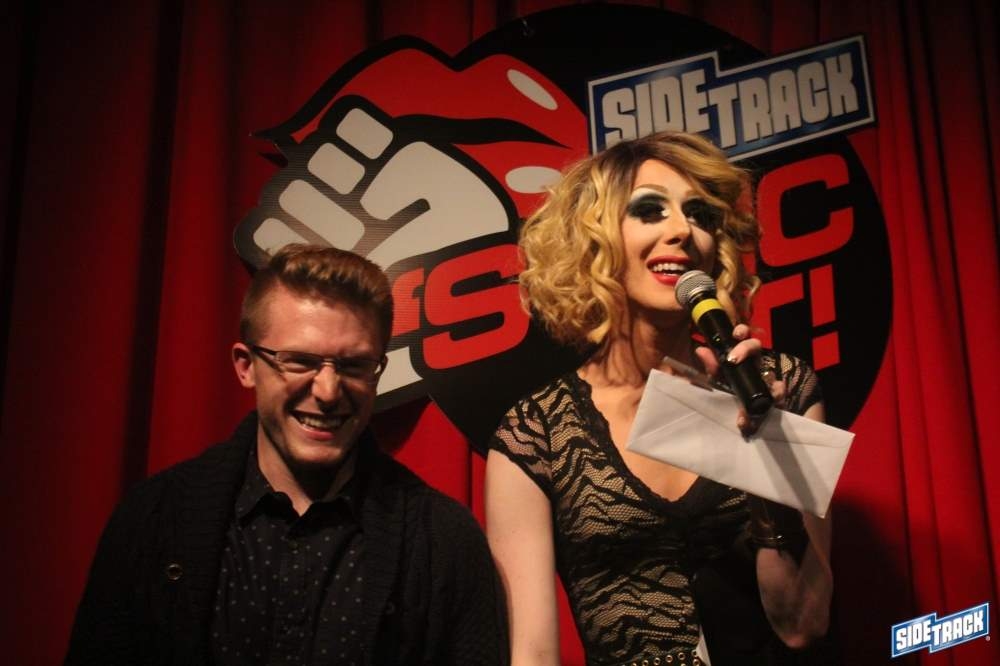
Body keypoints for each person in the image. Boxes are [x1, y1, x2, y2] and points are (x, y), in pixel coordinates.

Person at [486, 132, 834, 665]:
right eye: (649, 210)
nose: (682, 230)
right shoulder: (538, 432)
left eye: (700, 215)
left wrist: (769, 463)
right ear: (594, 239)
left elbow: (803, 626)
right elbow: (531, 653)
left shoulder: (778, 388)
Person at [67, 244, 509, 665]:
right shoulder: (153, 519)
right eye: (299, 361)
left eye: (354, 365)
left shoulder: (444, 542)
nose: (328, 391)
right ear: (246, 366)